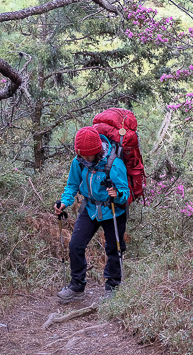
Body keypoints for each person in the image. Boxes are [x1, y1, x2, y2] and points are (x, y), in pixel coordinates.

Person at [54, 126, 129, 302]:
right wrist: (64, 202)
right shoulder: (78, 161)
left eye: (89, 156)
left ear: (97, 151)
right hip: (90, 208)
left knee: (114, 249)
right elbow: (72, 185)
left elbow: (125, 192)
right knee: (75, 245)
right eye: (82, 156)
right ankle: (77, 287)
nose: (86, 159)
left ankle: (113, 288)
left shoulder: (114, 164)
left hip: (113, 210)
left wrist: (117, 195)